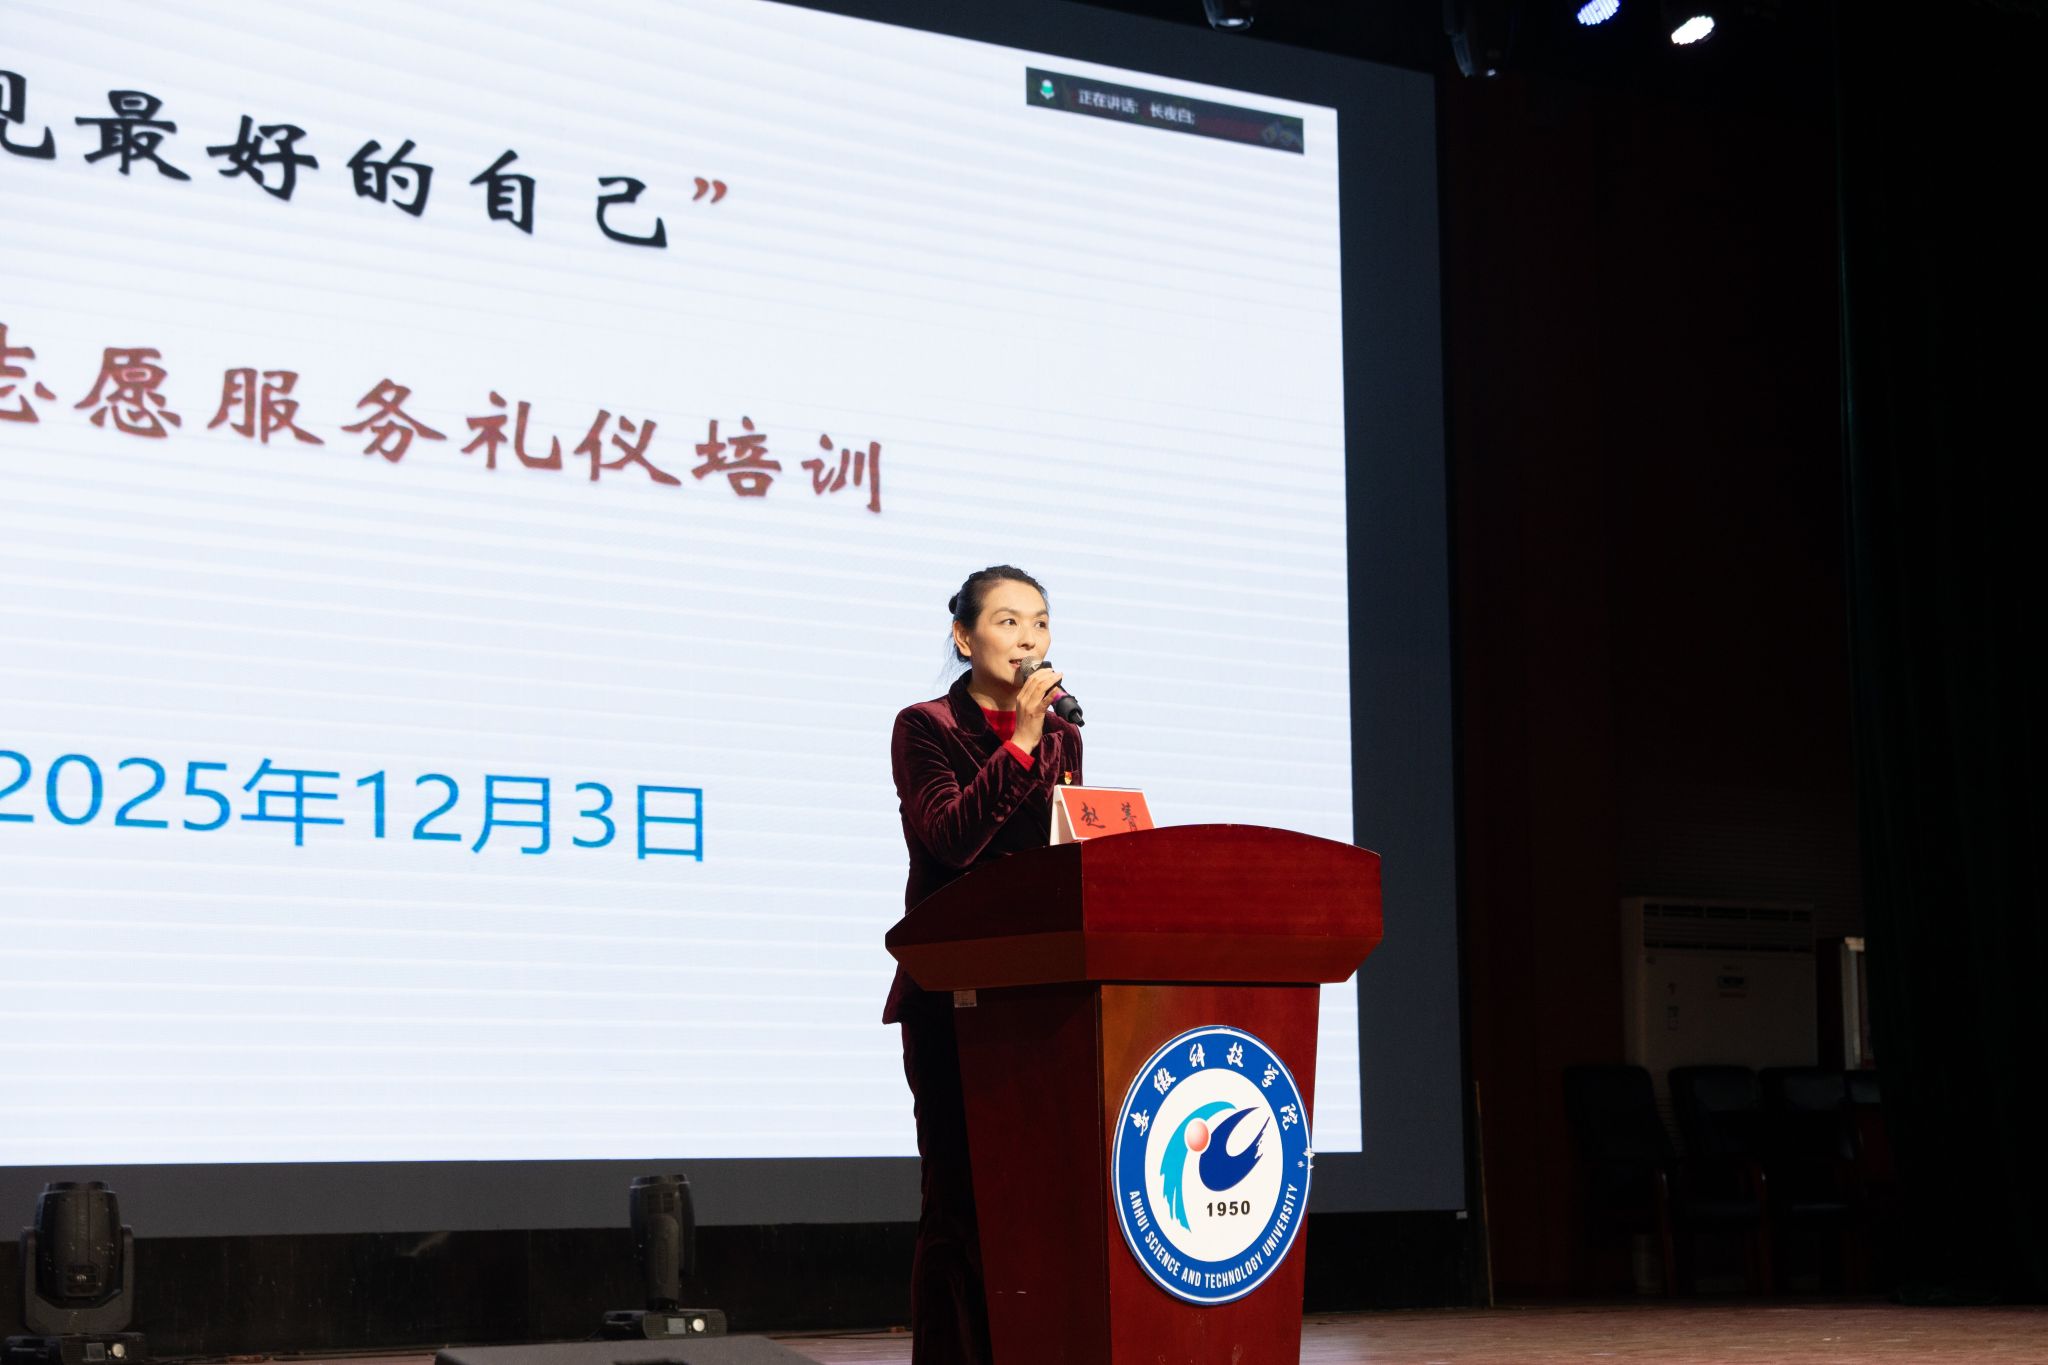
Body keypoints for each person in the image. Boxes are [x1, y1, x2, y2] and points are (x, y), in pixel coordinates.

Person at [885, 565, 1083, 1365]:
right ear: (964, 638)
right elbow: (952, 838)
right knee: (960, 1202)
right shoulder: (925, 727)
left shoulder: (1066, 735)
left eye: (1040, 621)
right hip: (953, 994)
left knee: (1039, 1201)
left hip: (1038, 997)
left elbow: (1062, 856)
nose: (1028, 638)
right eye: (1007, 621)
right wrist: (1023, 743)